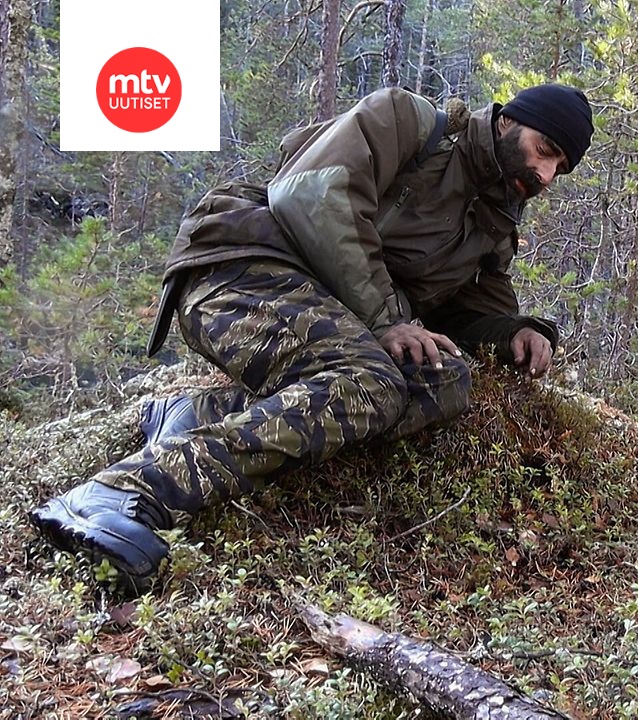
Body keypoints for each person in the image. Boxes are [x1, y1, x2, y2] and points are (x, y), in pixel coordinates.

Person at [29, 83, 594, 591]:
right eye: (545, 150)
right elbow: (310, 195)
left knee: (441, 379)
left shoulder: (494, 226)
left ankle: (197, 417)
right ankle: (125, 491)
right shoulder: (405, 121)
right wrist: (385, 321)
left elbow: (468, 319)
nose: (544, 175)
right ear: (507, 121)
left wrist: (519, 331)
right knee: (370, 382)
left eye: (559, 167)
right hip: (243, 267)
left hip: (325, 315)